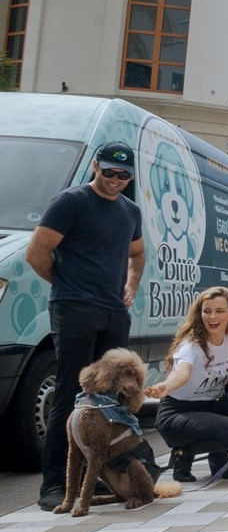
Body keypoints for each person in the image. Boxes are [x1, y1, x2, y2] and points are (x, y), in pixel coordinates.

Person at [25, 140, 146, 511]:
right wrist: (65, 287)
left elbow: (138, 253)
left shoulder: (130, 210)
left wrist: (130, 285)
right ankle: (54, 486)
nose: (115, 179)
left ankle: (104, 479)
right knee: (70, 396)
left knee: (112, 400)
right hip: (74, 309)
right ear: (96, 166)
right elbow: (36, 253)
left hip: (112, 312)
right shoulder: (71, 202)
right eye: (109, 171)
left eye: (124, 175)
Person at [146, 287, 228, 481]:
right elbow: (182, 373)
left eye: (219, 311)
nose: (212, 316)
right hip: (177, 414)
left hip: (208, 407)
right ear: (199, 313)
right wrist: (165, 386)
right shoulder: (191, 345)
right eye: (207, 310)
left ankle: (219, 460)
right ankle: (182, 455)